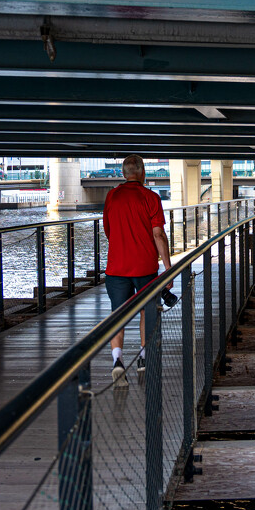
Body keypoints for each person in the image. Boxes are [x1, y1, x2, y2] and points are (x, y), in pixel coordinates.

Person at [103, 155, 172, 386]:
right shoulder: (151, 197)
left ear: (124, 173)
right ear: (143, 173)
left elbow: (109, 231)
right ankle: (143, 358)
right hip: (145, 266)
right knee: (146, 312)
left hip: (116, 266)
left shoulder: (112, 196)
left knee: (118, 314)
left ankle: (117, 361)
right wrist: (168, 268)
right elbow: (158, 234)